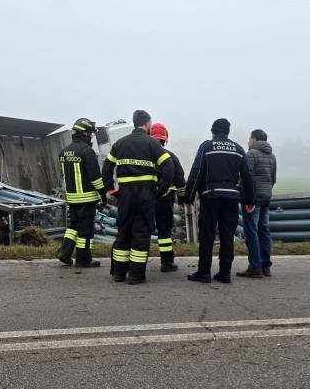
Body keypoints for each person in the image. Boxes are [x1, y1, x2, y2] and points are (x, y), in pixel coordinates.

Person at [102, 110, 174, 285]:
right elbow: (168, 167)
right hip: (146, 196)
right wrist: (161, 189)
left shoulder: (120, 144)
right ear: (147, 124)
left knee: (124, 232)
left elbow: (106, 168)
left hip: (125, 195)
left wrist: (111, 190)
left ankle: (119, 273)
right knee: (141, 233)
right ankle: (135, 275)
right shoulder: (153, 144)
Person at [185, 118, 254, 284]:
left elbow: (196, 171)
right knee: (227, 236)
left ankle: (204, 273)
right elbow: (247, 176)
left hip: (211, 197)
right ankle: (225, 274)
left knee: (207, 235)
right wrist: (250, 200)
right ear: (228, 132)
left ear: (213, 131)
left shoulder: (206, 146)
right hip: (231, 199)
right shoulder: (238, 149)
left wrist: (187, 197)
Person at [57, 118, 108, 268]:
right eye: (91, 134)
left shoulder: (64, 152)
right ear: (85, 134)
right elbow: (95, 178)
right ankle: (83, 259)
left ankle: (64, 252)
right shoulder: (87, 151)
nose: (91, 137)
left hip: (72, 198)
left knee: (73, 227)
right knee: (86, 230)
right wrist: (103, 194)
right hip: (87, 199)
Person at [237, 129, 277, 278]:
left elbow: (245, 177)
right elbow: (273, 179)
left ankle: (255, 267)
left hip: (253, 198)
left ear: (254, 139)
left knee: (251, 231)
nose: (248, 141)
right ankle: (265, 266)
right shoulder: (272, 156)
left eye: (249, 138)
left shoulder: (251, 154)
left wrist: (248, 198)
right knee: (264, 230)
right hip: (267, 196)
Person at [149, 122, 186, 272]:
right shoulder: (170, 157)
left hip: (146, 198)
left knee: (142, 229)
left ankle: (138, 261)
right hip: (165, 199)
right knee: (164, 231)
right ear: (165, 140)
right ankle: (167, 262)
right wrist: (182, 199)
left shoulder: (144, 156)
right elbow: (180, 180)